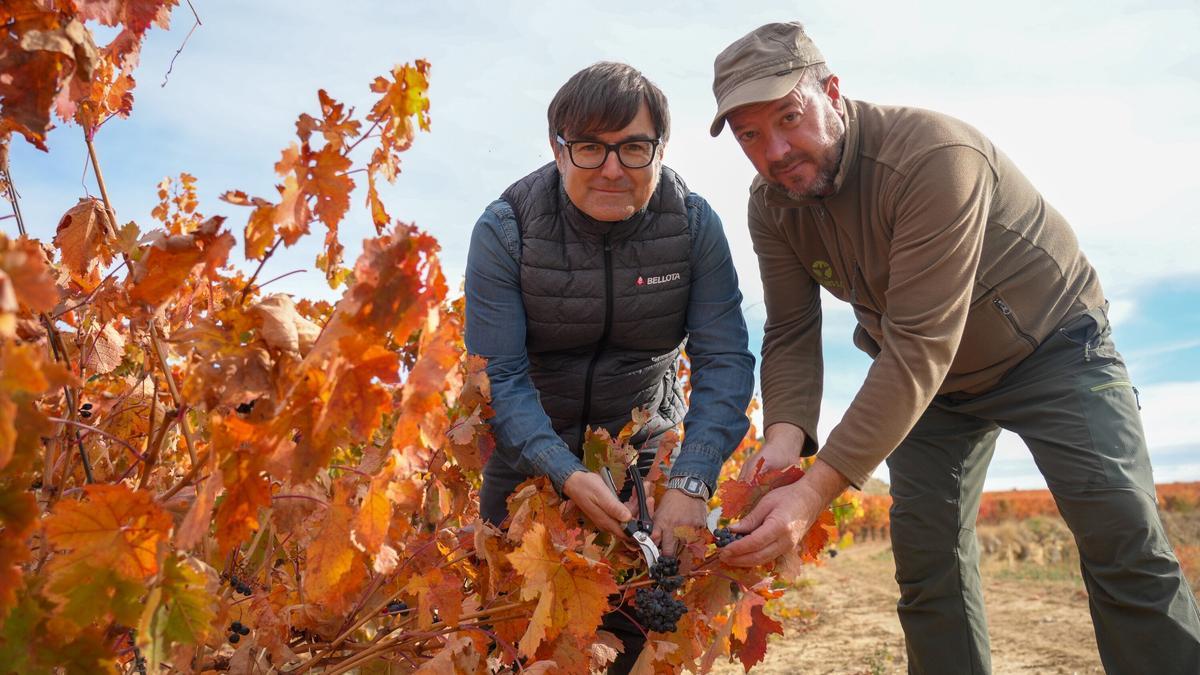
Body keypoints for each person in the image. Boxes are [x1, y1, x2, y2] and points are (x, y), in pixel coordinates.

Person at [708, 21, 1200, 675]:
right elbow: (792, 330)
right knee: (927, 560)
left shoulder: (934, 156)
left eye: (788, 118)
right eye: (749, 135)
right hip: (933, 387)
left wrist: (811, 494)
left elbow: (919, 341)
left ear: (831, 90)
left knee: (1123, 542)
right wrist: (782, 443)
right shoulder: (773, 204)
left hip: (1052, 348)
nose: (774, 151)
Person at [464, 61, 754, 670]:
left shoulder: (694, 226)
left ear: (661, 149)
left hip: (644, 463)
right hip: (528, 464)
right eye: (591, 148)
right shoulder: (506, 229)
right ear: (558, 148)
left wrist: (693, 479)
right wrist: (561, 471)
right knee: (512, 647)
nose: (613, 169)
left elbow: (723, 358)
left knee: (631, 648)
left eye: (634, 148)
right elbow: (504, 378)